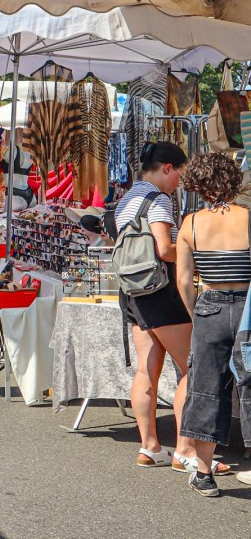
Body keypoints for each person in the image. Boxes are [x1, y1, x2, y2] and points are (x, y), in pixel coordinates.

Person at [112, 142, 206, 475]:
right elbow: (164, 248)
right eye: (179, 173)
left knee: (145, 371)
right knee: (191, 369)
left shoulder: (126, 198)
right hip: (162, 290)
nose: (180, 181)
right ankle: (186, 450)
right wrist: (194, 259)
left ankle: (150, 446)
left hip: (134, 292)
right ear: (167, 168)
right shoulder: (158, 199)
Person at [174, 152, 246, 496]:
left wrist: (196, 313)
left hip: (210, 309)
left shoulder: (190, 224)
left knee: (205, 390)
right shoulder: (248, 218)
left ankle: (204, 473)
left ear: (197, 185)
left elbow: (184, 281)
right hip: (248, 308)